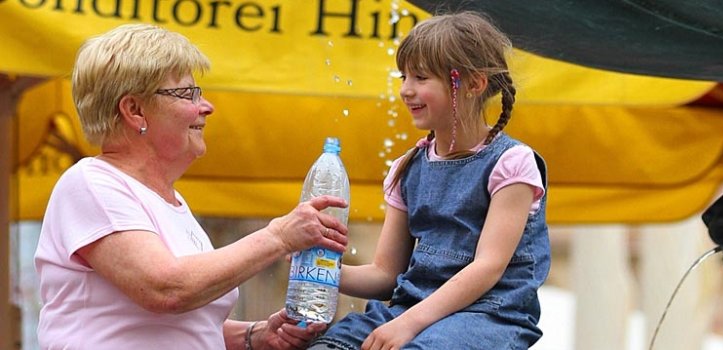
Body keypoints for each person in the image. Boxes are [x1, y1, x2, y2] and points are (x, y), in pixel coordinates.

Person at [34, 23, 349, 350]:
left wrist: (255, 335)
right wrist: (279, 236)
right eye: (187, 93)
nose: (206, 107)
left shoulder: (169, 200)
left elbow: (175, 326)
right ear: (134, 110)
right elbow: (166, 289)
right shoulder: (91, 182)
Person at [309, 11, 550, 350]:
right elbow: (385, 274)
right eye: (403, 76)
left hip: (489, 317)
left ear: (474, 83)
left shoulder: (511, 163)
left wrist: (407, 324)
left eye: (421, 77)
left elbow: (487, 268)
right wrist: (318, 270)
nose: (406, 90)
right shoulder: (407, 168)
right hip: (413, 309)